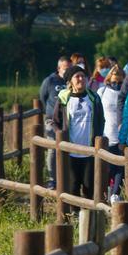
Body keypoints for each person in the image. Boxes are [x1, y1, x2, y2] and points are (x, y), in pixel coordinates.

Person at [52, 65, 105, 213]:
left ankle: (89, 217)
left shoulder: (94, 98)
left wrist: (97, 138)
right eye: (77, 77)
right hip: (70, 151)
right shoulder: (64, 98)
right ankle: (74, 217)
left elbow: (101, 120)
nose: (81, 79)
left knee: (89, 186)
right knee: (73, 185)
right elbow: (55, 121)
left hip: (89, 150)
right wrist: (61, 135)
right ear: (70, 81)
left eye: (83, 76)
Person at [40, 56, 72, 188]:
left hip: (68, 119)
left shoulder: (72, 80)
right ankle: (52, 179)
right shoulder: (50, 81)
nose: (68, 70)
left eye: (69, 68)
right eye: (65, 68)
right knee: (53, 148)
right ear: (59, 68)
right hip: (52, 120)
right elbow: (43, 97)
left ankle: (67, 177)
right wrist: (50, 112)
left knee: (69, 148)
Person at [96, 66, 125, 201]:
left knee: (120, 166)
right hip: (106, 135)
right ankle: (106, 191)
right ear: (108, 80)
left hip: (121, 136)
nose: (117, 85)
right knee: (108, 168)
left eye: (120, 82)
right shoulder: (102, 91)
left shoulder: (125, 93)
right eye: (114, 82)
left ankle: (115, 194)